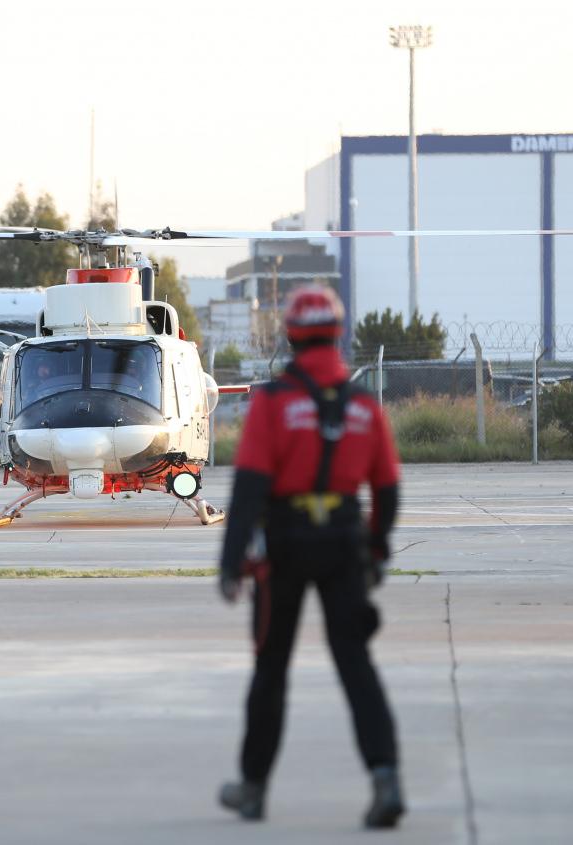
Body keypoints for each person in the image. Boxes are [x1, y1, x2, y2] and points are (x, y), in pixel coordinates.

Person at [215, 284, 404, 829]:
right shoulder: (365, 406)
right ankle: (385, 777)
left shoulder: (274, 403)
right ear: (338, 333)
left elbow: (249, 489)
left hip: (285, 547)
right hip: (344, 541)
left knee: (271, 669)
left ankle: (253, 788)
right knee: (356, 665)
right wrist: (374, 550)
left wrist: (231, 565)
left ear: (292, 337)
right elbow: (387, 492)